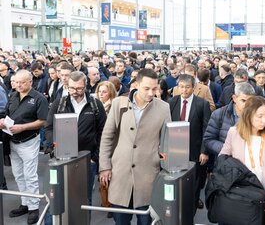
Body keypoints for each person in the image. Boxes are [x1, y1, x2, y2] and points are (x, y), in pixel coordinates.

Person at [99, 69, 171, 225]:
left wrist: (162, 165)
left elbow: (167, 143)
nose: (151, 93)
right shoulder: (119, 103)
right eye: (147, 88)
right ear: (136, 85)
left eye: (155, 88)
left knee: (146, 221)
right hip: (120, 174)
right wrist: (104, 166)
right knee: (121, 221)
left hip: (148, 178)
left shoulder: (164, 108)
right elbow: (107, 136)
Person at [219, 96, 265, 223]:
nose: (264, 121)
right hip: (239, 191)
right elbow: (223, 157)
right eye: (259, 116)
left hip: (262, 193)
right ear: (248, 115)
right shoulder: (234, 133)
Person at [45, 71, 107, 205]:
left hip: (87, 159)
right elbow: (49, 128)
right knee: (58, 197)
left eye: (79, 88)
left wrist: (94, 158)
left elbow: (103, 132)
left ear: (85, 86)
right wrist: (55, 146)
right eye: (71, 87)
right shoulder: (59, 103)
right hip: (62, 158)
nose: (74, 91)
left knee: (84, 199)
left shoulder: (95, 105)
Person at [0, 70, 48, 224]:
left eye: (22, 82)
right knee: (18, 175)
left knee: (30, 176)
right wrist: (3, 122)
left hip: (29, 141)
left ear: (30, 82)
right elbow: (8, 114)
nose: (18, 85)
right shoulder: (13, 95)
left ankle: (34, 208)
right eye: (16, 82)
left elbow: (43, 121)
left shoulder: (39, 98)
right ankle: (25, 203)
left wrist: (23, 127)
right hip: (12, 140)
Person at [168, 74, 211, 210]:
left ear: (193, 87)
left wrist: (204, 151)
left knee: (195, 181)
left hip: (195, 149)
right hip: (175, 149)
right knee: (176, 180)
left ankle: (192, 206)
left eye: (187, 87)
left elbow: (206, 129)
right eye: (181, 87)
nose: (184, 90)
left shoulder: (202, 104)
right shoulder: (171, 102)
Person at [203, 82, 256, 156]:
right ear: (234, 98)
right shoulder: (219, 114)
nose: (247, 104)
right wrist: (228, 149)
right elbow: (208, 140)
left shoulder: (257, 116)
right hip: (225, 162)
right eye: (243, 100)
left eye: (250, 101)